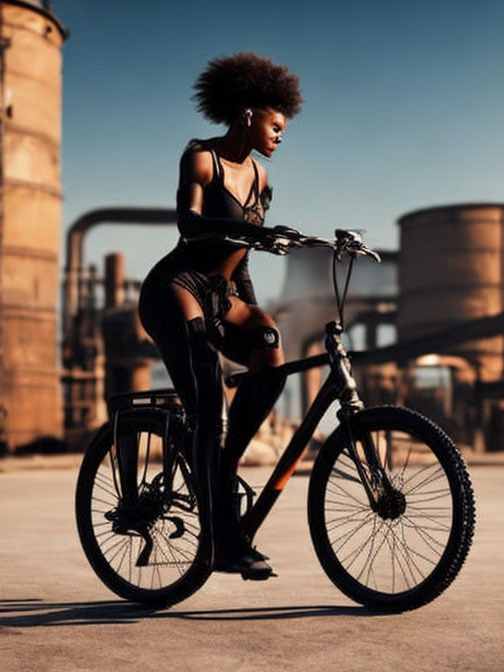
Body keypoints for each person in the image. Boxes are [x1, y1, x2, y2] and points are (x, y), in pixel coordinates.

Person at [138, 53, 302, 580]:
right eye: (277, 126)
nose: (281, 136)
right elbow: (189, 225)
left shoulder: (262, 178)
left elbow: (241, 259)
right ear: (249, 113)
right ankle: (220, 540)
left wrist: (251, 308)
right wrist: (257, 234)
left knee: (271, 351)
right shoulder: (201, 159)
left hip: (222, 293)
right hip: (176, 288)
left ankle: (223, 464)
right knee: (210, 403)